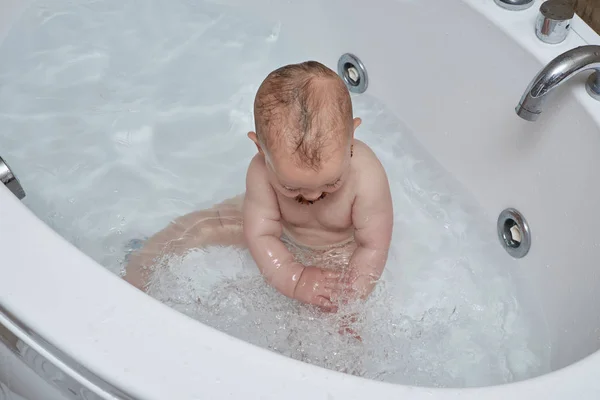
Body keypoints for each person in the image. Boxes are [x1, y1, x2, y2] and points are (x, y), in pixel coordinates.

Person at [124, 61, 393, 313]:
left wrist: (350, 295)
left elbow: (372, 246)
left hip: (338, 249)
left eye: (332, 183)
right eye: (292, 188)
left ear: (352, 139)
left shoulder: (366, 175)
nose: (313, 195)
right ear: (261, 150)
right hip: (278, 228)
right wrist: (292, 276)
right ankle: (139, 267)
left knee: (338, 314)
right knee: (204, 225)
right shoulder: (260, 173)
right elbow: (261, 235)